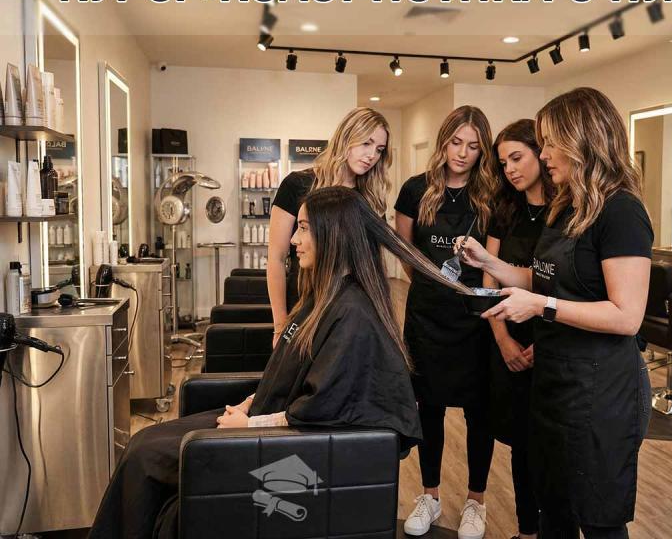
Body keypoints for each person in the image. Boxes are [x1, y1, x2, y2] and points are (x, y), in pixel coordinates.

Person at [89, 186, 473, 539]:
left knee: (144, 457)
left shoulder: (353, 316)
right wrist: (249, 403)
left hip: (279, 446)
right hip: (261, 423)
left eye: (303, 228)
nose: (293, 240)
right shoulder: (322, 296)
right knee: (142, 445)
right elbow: (290, 376)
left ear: (333, 235)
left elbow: (320, 410)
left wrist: (249, 425)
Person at [457, 88, 653, 539]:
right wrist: (490, 264)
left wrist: (542, 307)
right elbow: (541, 278)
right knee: (553, 511)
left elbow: (627, 316)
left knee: (598, 519)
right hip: (554, 384)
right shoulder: (566, 206)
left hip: (601, 392)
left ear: (581, 139)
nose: (543, 154)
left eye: (550, 143)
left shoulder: (622, 212)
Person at [395, 105, 499, 539]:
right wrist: (433, 287)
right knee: (430, 407)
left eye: (473, 146)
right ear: (443, 141)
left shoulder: (491, 194)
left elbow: (494, 261)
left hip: (475, 319)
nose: (462, 153)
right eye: (456, 142)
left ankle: (476, 501)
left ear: (482, 151)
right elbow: (405, 253)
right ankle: (430, 496)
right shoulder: (414, 190)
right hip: (427, 317)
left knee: (480, 412)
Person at [484, 119, 555, 539]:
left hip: (556, 341)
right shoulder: (504, 210)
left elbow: (564, 286)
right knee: (521, 444)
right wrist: (502, 339)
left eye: (517, 158)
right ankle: (527, 532)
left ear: (540, 154)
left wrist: (547, 345)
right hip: (509, 339)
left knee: (551, 448)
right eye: (503, 162)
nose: (510, 169)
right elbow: (490, 279)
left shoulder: (566, 212)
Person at [268, 107, 391, 344]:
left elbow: (376, 265)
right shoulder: (298, 184)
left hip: (353, 315)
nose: (371, 155)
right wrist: (279, 326)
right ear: (346, 138)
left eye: (379, 149)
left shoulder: (371, 198)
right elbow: (276, 258)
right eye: (366, 143)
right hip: (304, 307)